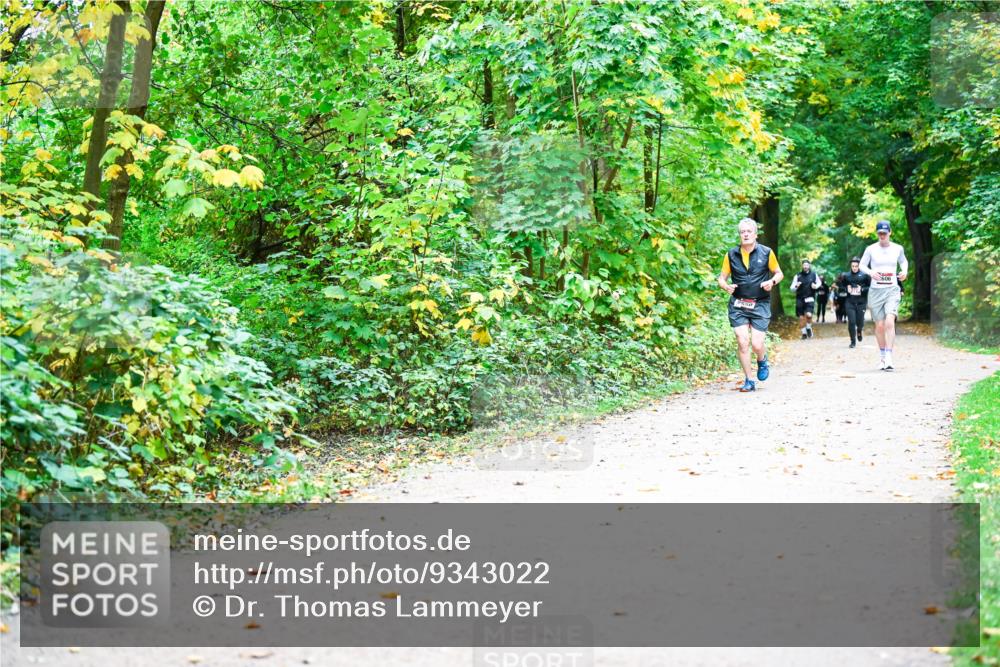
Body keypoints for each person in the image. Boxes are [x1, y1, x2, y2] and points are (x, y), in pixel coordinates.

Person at [718, 217, 784, 392]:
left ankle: (762, 360)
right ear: (739, 235)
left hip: (760, 303)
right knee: (742, 340)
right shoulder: (731, 254)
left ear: (755, 234)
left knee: (756, 344)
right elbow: (721, 278)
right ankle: (749, 380)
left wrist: (772, 282)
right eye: (742, 232)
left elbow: (779, 273)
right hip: (738, 304)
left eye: (749, 231)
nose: (745, 234)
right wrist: (726, 286)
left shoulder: (766, 252)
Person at [859, 220, 908, 370]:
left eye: (884, 233)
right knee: (879, 326)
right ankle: (882, 355)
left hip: (892, 289)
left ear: (890, 233)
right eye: (879, 233)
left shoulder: (897, 248)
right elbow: (861, 265)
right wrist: (871, 272)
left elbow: (904, 261)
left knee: (889, 321)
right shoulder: (870, 249)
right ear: (877, 233)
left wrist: (904, 272)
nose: (882, 236)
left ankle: (889, 356)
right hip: (876, 291)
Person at [842, 256, 871, 348]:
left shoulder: (865, 275)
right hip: (850, 302)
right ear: (851, 266)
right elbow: (841, 287)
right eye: (853, 266)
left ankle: (859, 330)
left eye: (856, 266)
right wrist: (847, 288)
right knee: (851, 321)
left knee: (860, 322)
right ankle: (852, 341)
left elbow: (870, 287)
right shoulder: (846, 276)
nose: (854, 268)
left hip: (861, 302)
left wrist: (862, 289)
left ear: (859, 266)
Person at [789, 259, 821, 339]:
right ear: (802, 266)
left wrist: (815, 286)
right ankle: (804, 333)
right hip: (800, 298)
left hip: (810, 297)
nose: (805, 267)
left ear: (809, 266)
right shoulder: (797, 276)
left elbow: (819, 283)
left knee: (809, 315)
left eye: (807, 265)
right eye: (804, 265)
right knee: (801, 317)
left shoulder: (814, 274)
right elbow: (792, 288)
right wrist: (796, 286)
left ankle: (808, 327)